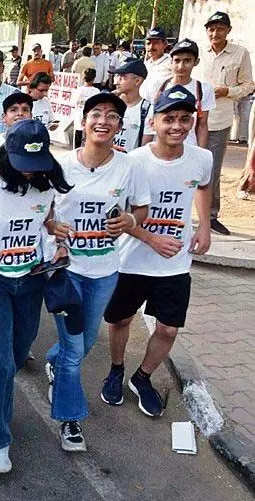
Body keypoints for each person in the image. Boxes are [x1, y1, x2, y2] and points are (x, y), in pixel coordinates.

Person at [0, 119, 72, 473]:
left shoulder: (46, 184)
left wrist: (54, 230)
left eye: (36, 167)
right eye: (23, 166)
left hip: (31, 279)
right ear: (8, 155)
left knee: (19, 353)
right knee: (1, 362)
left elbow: (46, 216)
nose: (29, 175)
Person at [45, 92, 150, 451]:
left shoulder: (128, 166)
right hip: (65, 271)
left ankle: (53, 363)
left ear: (120, 126)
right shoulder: (59, 165)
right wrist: (51, 228)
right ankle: (69, 419)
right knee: (75, 351)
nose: (103, 121)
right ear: (83, 120)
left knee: (86, 343)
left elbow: (142, 208)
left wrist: (131, 220)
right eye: (96, 114)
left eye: (112, 116)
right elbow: (39, 210)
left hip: (105, 271)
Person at [102, 85, 212, 418]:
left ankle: (142, 377)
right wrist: (151, 239)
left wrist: (204, 225)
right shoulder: (133, 162)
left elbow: (204, 186)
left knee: (168, 328)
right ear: (155, 121)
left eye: (184, 119)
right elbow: (115, 214)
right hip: (132, 259)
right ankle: (116, 369)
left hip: (175, 263)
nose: (177, 126)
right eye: (169, 119)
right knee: (120, 319)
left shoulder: (202, 158)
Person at [199, 11, 254, 235]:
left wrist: (228, 91)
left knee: (211, 168)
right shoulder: (199, 53)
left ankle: (211, 216)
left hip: (219, 120)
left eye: (220, 28)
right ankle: (184, 213)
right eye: (211, 29)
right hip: (192, 118)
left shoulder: (240, 54)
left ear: (228, 30)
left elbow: (249, 85)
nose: (215, 33)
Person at [142, 39, 216, 149]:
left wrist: (202, 153)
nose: (181, 66)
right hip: (160, 148)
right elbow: (150, 122)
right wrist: (143, 150)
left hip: (188, 148)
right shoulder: (159, 85)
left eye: (187, 61)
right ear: (170, 62)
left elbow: (202, 125)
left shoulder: (204, 89)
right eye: (177, 61)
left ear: (196, 62)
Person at [111, 58, 150, 152]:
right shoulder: (110, 105)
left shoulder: (147, 110)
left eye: (123, 77)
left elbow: (144, 149)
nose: (117, 81)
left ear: (137, 81)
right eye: (117, 77)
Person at [71, 69, 100, 148]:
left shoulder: (78, 90)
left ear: (83, 78)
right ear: (94, 78)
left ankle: (75, 153)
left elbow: (73, 103)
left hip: (79, 116)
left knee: (78, 137)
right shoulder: (96, 91)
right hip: (91, 118)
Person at [141, 27, 173, 95]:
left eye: (156, 43)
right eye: (148, 43)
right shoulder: (146, 63)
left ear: (165, 44)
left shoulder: (170, 62)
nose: (151, 47)